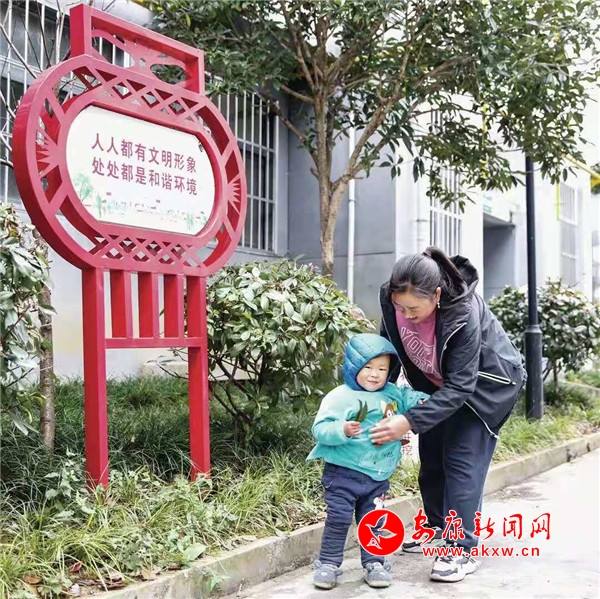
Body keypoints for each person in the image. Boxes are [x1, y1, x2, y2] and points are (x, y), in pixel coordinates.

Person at [370, 247, 526, 583]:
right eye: (400, 307)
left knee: (461, 463)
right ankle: (438, 526)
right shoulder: (391, 298)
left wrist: (408, 421)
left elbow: (460, 387)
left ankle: (461, 548)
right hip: (435, 385)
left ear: (437, 296)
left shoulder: (463, 313)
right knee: (432, 460)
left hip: (485, 387)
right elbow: (390, 348)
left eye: (414, 309)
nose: (406, 314)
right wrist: (383, 400)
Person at [307, 333, 428, 590]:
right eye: (368, 367)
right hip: (343, 473)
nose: (375, 374)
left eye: (382, 369)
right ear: (353, 366)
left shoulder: (392, 393)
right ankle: (328, 563)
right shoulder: (340, 397)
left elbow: (410, 398)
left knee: (374, 521)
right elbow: (320, 429)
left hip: (377, 474)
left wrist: (425, 401)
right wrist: (341, 429)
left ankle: (375, 563)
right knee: (338, 519)